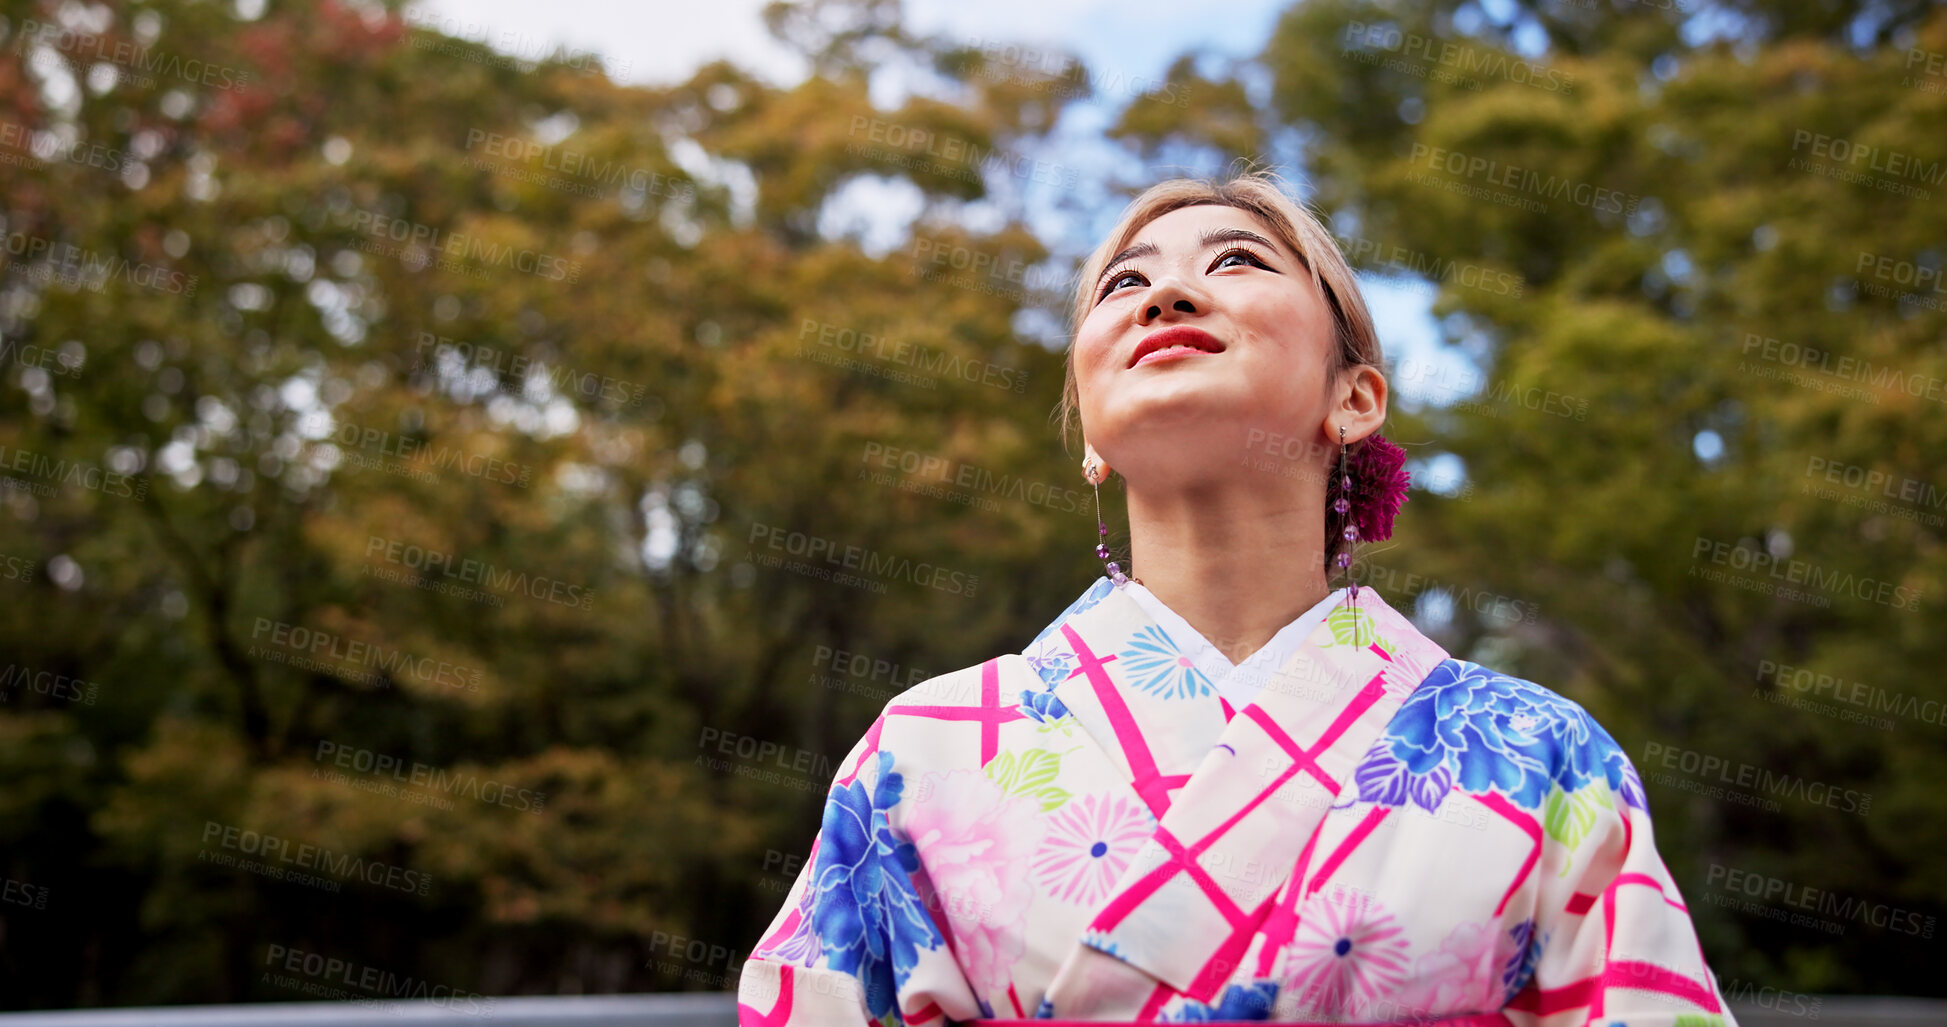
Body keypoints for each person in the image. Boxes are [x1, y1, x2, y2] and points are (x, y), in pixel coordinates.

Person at [736, 171, 1736, 1025]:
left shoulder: (1541, 757)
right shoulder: (925, 747)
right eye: (1124, 281)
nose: (1164, 293)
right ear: (1089, 431)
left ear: (1355, 397)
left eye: (1235, 262)